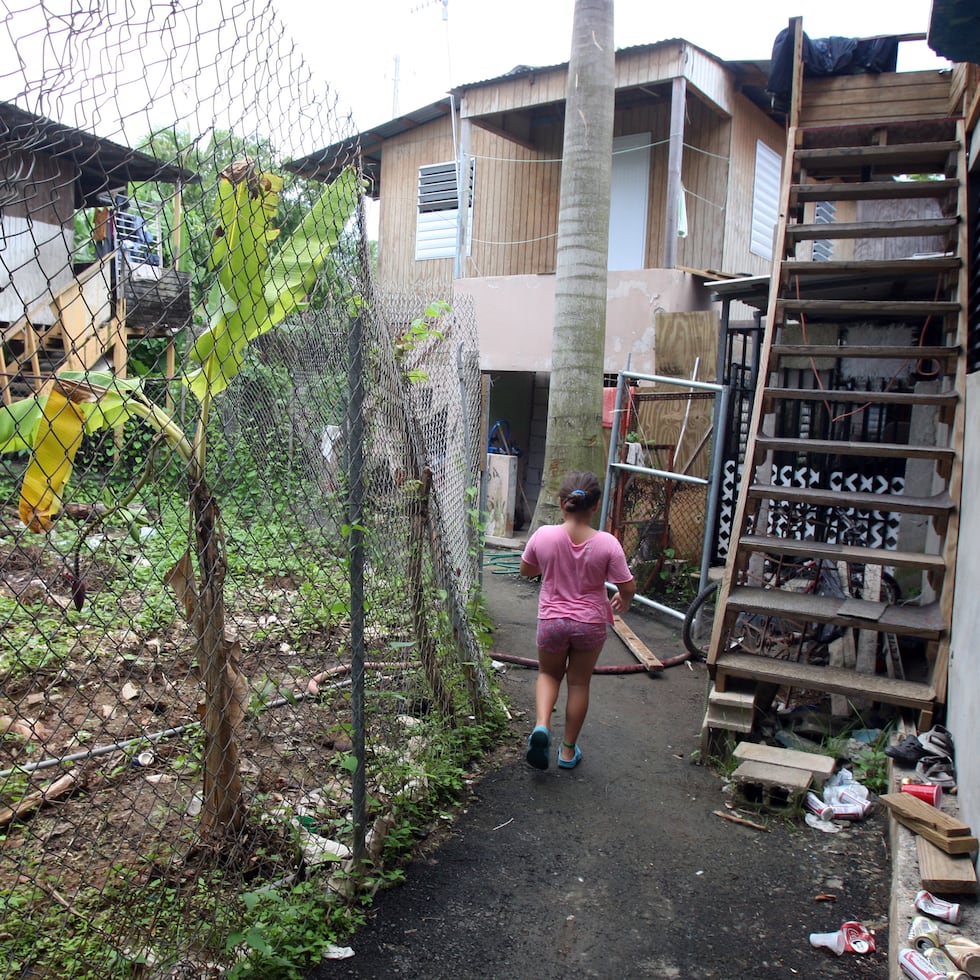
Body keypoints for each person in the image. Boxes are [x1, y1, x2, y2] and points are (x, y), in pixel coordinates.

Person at [519, 471, 636, 771]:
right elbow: (627, 585)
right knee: (580, 683)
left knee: (548, 674)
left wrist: (550, 567)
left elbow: (526, 570)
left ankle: (542, 725)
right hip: (590, 624)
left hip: (552, 621)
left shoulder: (543, 535)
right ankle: (568, 752)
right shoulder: (608, 544)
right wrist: (624, 599)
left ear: (562, 503)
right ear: (595, 506)